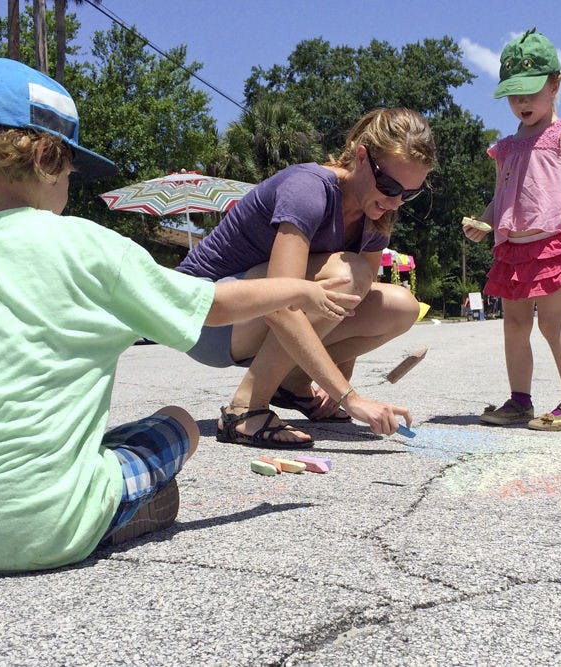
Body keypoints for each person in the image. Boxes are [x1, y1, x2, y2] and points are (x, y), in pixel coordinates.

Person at [0, 58, 358, 573]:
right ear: (48, 155)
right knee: (180, 425)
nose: (70, 180)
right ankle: (119, 511)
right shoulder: (86, 245)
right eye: (72, 166)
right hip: (41, 527)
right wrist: (297, 287)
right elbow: (212, 305)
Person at [177, 108, 436, 447]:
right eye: (389, 186)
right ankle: (245, 408)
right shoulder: (309, 188)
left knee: (401, 305)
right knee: (348, 274)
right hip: (202, 317)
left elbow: (351, 305)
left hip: (248, 319)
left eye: (409, 194)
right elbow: (280, 307)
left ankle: (293, 383)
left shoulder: (377, 214)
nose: (396, 201)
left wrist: (335, 387)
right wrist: (350, 398)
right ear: (361, 157)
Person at [463, 28, 561, 431]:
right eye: (514, 94)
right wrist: (486, 222)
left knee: (552, 325)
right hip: (512, 250)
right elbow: (501, 196)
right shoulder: (504, 147)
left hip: (553, 243)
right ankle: (520, 401)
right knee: (514, 326)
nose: (522, 102)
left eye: (531, 92)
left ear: (555, 84)